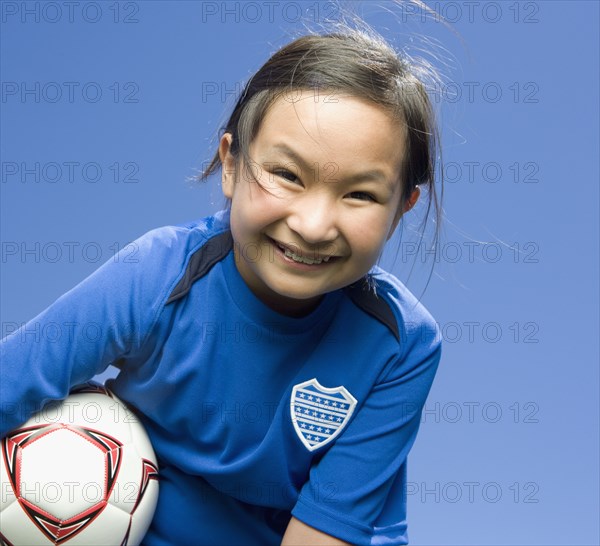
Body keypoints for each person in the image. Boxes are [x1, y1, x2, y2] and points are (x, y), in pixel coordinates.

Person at [1, 23, 443, 546]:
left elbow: (323, 534)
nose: (314, 224)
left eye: (361, 195)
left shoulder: (400, 344)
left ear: (401, 210)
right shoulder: (157, 275)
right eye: (288, 175)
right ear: (231, 164)